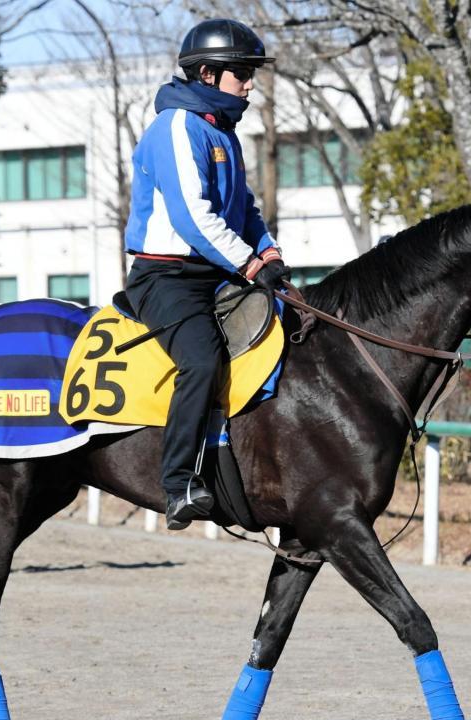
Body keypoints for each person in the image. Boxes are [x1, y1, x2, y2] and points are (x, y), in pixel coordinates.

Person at [124, 18, 289, 530]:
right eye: (241, 72)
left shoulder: (222, 133)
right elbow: (192, 218)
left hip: (217, 274)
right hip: (165, 279)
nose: (249, 82)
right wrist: (249, 262)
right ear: (208, 74)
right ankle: (178, 483)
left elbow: (245, 210)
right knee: (202, 360)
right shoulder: (176, 127)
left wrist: (270, 253)